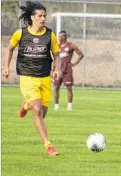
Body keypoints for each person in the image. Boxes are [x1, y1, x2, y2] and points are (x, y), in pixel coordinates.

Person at [2, 1, 62, 156]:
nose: (43, 19)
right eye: (40, 16)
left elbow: (56, 54)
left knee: (43, 113)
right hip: (28, 78)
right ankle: (48, 145)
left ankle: (26, 105)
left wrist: (57, 69)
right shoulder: (20, 33)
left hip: (45, 78)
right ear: (32, 17)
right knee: (38, 110)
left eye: (45, 16)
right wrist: (6, 67)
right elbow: (9, 48)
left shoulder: (50, 35)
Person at [53, 31, 84, 111]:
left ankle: (69, 106)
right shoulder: (57, 46)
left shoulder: (71, 45)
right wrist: (53, 70)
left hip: (67, 70)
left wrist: (74, 63)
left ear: (64, 37)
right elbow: (55, 59)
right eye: (58, 36)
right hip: (58, 71)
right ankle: (56, 106)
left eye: (60, 36)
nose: (58, 38)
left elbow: (81, 54)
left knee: (69, 88)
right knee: (56, 88)